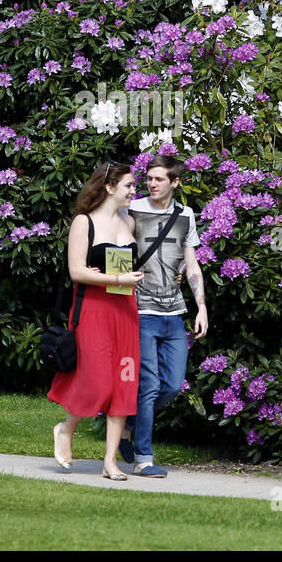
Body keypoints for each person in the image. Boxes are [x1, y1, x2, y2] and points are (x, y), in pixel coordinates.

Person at [49, 161, 146, 480]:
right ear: (109, 187)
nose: (134, 191)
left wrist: (119, 279)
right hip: (93, 312)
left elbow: (117, 271)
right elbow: (77, 272)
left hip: (125, 312)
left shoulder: (128, 223)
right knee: (98, 381)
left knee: (124, 386)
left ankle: (110, 463)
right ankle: (65, 428)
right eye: (129, 186)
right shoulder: (83, 222)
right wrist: (117, 280)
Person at [117, 155, 207, 477]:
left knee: (171, 384)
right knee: (150, 385)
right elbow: (118, 250)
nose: (152, 184)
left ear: (175, 182)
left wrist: (202, 307)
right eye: (149, 179)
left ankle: (126, 423)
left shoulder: (186, 215)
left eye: (159, 179)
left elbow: (192, 264)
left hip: (175, 312)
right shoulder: (133, 210)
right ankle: (143, 457)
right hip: (141, 311)